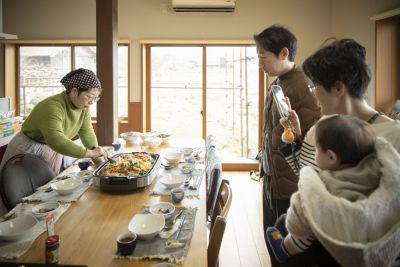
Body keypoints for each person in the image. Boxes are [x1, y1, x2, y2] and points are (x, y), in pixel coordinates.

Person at [276, 38, 400, 266]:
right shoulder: (322, 128)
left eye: (314, 86)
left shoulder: (394, 136)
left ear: (338, 88)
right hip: (317, 251)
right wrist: (297, 134)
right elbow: (306, 177)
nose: (313, 94)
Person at [266, 115, 400, 267]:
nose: (314, 153)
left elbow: (302, 208)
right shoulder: (375, 170)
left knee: (295, 226)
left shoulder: (326, 183)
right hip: (371, 234)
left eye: (316, 150)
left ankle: (284, 249)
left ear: (331, 157)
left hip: (339, 239)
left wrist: (293, 220)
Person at [253, 24, 321, 261]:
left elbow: (312, 141)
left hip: (291, 188)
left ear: (283, 53)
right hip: (274, 180)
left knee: (288, 254)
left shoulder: (302, 86)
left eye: (263, 57)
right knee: (273, 244)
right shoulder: (279, 82)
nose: (260, 63)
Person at [0, 68, 109, 175]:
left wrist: (99, 162)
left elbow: (87, 133)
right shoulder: (52, 107)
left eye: (96, 98)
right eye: (90, 97)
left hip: (49, 149)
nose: (92, 102)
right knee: (22, 190)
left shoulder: (83, 107)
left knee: (47, 189)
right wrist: (90, 153)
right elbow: (56, 140)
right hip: (28, 148)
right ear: (74, 91)